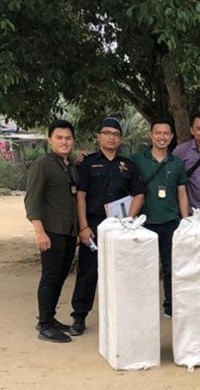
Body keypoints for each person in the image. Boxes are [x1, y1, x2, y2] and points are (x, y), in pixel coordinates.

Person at [70, 116, 145, 336]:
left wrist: (129, 221)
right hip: (93, 225)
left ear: (120, 139)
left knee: (122, 272)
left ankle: (122, 317)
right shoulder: (88, 163)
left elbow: (138, 194)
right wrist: (83, 227)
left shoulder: (128, 165)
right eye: (107, 133)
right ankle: (79, 317)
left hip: (120, 227)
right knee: (88, 271)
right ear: (99, 137)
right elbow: (81, 196)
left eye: (115, 134)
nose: (111, 138)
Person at [24, 120, 79, 342]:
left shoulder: (71, 164)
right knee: (50, 277)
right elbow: (32, 201)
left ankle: (49, 317)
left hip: (68, 231)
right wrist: (40, 232)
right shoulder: (42, 165)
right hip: (51, 231)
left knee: (60, 276)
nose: (64, 142)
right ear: (50, 140)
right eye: (59, 138)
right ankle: (45, 325)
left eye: (68, 138)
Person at [130, 118, 189, 318]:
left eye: (166, 134)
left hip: (170, 222)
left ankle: (170, 305)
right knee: (143, 267)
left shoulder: (177, 163)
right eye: (158, 133)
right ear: (151, 135)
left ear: (171, 137)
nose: (162, 137)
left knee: (170, 267)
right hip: (143, 223)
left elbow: (182, 193)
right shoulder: (137, 160)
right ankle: (142, 308)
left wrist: (186, 219)